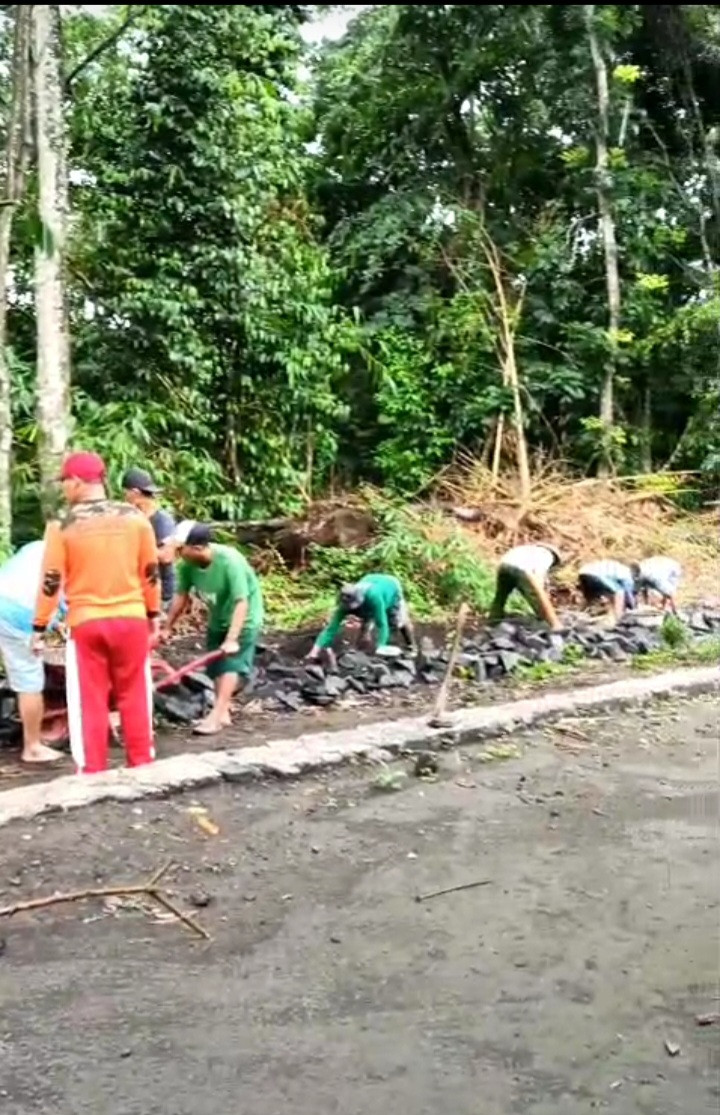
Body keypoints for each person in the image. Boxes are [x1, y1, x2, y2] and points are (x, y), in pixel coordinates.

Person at [32, 451, 161, 775]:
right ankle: (142, 766)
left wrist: (39, 627)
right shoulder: (135, 519)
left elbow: (51, 580)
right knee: (135, 693)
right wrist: (153, 614)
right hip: (131, 619)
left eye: (65, 481)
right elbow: (150, 572)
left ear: (77, 481)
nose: (64, 488)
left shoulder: (62, 525)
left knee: (89, 700)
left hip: (87, 623)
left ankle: (93, 772)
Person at [162, 521, 264, 735]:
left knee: (230, 664)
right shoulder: (187, 565)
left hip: (243, 618)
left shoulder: (230, 561)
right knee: (216, 666)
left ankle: (216, 716)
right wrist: (167, 627)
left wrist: (232, 639)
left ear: (197, 548)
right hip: (218, 617)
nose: (177, 554)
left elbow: (241, 601)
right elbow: (181, 596)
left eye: (180, 549)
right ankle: (223, 712)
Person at [0, 541, 64, 764]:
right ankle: (33, 748)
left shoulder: (37, 546)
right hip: (22, 614)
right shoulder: (73, 554)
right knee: (29, 680)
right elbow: (61, 596)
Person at [306, 573, 416, 666]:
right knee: (365, 624)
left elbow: (382, 624)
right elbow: (331, 629)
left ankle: (411, 647)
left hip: (390, 587)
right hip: (370, 581)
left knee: (396, 622)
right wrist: (314, 652)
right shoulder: (345, 601)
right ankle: (362, 651)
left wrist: (381, 646)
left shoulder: (374, 596)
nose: (352, 610)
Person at [122, 467, 176, 610]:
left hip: (161, 594)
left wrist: (141, 548)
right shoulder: (134, 518)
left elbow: (166, 556)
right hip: (139, 591)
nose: (124, 497)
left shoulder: (162, 520)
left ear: (135, 493)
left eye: (125, 493)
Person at [489, 543, 562, 630]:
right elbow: (538, 574)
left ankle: (492, 622)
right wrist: (541, 591)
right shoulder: (547, 555)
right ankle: (556, 626)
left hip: (504, 566)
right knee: (540, 597)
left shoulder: (527, 549)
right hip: (522, 569)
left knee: (500, 597)